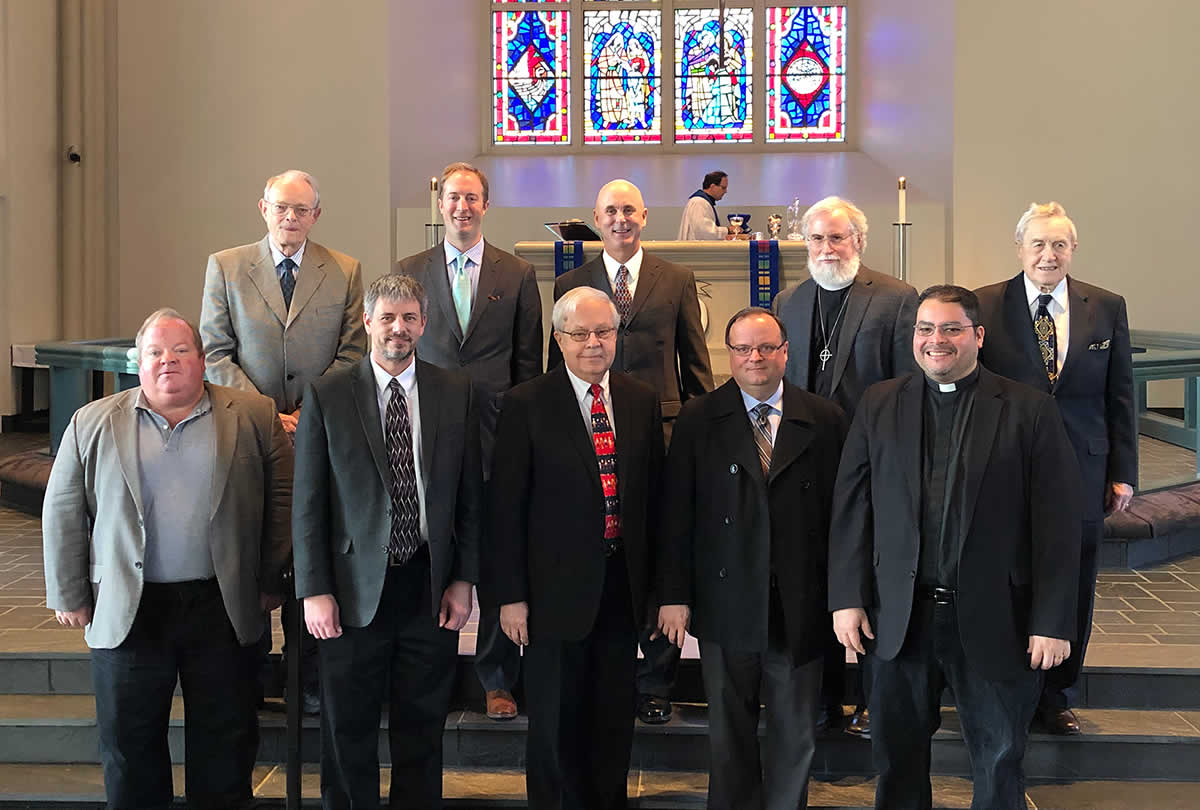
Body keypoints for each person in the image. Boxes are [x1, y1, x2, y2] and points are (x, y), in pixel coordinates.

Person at [829, 285, 1082, 810]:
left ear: (978, 336)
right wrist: (847, 597)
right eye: (925, 328)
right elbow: (853, 508)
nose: (936, 340)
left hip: (997, 619)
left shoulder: (1028, 409)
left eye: (950, 329)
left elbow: (1057, 526)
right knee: (896, 763)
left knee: (999, 762)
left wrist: (1053, 621)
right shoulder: (879, 403)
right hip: (900, 619)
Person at [43, 308, 292, 810]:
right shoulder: (92, 421)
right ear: (138, 362)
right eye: (155, 352)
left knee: (225, 746)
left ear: (202, 360)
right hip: (130, 608)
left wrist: (272, 579)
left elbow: (282, 501)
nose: (167, 361)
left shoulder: (254, 414)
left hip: (221, 605)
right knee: (130, 748)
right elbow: (63, 509)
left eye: (180, 350)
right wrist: (69, 592)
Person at [293, 273, 482, 809]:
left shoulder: (456, 391)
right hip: (351, 590)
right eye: (388, 318)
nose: (398, 328)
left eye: (409, 318)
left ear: (424, 324)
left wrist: (463, 580)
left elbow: (470, 495)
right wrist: (314, 590)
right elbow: (308, 502)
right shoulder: (328, 394)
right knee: (347, 727)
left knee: (422, 726)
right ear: (367, 322)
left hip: (428, 584)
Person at [657, 307, 847, 810]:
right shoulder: (699, 417)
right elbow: (676, 513)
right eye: (743, 348)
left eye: (766, 347)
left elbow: (843, 517)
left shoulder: (825, 418)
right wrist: (673, 594)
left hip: (799, 598)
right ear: (730, 354)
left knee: (796, 731)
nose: (754, 358)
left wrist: (844, 596)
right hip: (726, 596)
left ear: (785, 352)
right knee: (728, 730)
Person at [487, 286, 664, 809]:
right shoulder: (526, 403)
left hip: (621, 587)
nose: (593, 343)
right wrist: (510, 596)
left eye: (603, 332)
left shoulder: (640, 399)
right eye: (580, 333)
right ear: (559, 339)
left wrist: (659, 591)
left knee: (612, 724)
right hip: (551, 594)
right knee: (555, 727)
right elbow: (505, 508)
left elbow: (655, 501)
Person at [200, 168, 366, 712]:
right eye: (281, 207)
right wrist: (269, 413)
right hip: (247, 430)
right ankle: (246, 677)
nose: (290, 218)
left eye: (301, 209)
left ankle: (309, 677)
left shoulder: (344, 270)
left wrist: (307, 412)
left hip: (319, 431)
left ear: (316, 215)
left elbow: (352, 352)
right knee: (248, 551)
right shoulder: (226, 266)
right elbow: (216, 351)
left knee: (312, 550)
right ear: (263, 209)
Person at [550, 178, 713, 725]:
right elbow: (555, 366)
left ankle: (657, 680)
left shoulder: (677, 278)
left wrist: (700, 432)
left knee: (658, 550)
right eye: (610, 211)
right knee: (599, 548)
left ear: (644, 216)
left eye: (629, 210)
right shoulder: (571, 281)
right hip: (587, 433)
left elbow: (694, 363)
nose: (620, 219)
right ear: (596, 219)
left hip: (658, 435)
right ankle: (601, 666)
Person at [975, 201, 1137, 735]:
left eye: (1059, 245)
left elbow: (1120, 395)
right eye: (1039, 244)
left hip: (1083, 468)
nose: (1049, 254)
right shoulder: (985, 304)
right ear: (1020, 248)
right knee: (1006, 577)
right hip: (1006, 467)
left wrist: (1123, 471)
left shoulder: (1106, 306)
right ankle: (1006, 686)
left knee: (1074, 580)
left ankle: (1057, 695)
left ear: (1073, 249)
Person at [394, 161, 543, 721]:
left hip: (497, 433)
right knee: (437, 552)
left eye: (472, 197)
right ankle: (427, 671)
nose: (462, 207)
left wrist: (524, 435)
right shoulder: (410, 270)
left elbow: (528, 364)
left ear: (486, 204)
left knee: (499, 554)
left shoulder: (517, 273)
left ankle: (497, 678)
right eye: (453, 197)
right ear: (441, 204)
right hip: (429, 433)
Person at [772, 195, 918, 736]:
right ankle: (822, 698)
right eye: (817, 238)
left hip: (873, 462)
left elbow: (907, 387)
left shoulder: (897, 298)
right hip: (807, 464)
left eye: (837, 237)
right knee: (812, 585)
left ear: (859, 241)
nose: (827, 248)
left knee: (873, 583)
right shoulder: (789, 300)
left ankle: (877, 701)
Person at [677, 170, 733, 240]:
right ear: (712, 186)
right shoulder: (699, 202)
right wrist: (728, 230)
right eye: (723, 188)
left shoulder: (704, 202)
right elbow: (704, 232)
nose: (725, 191)